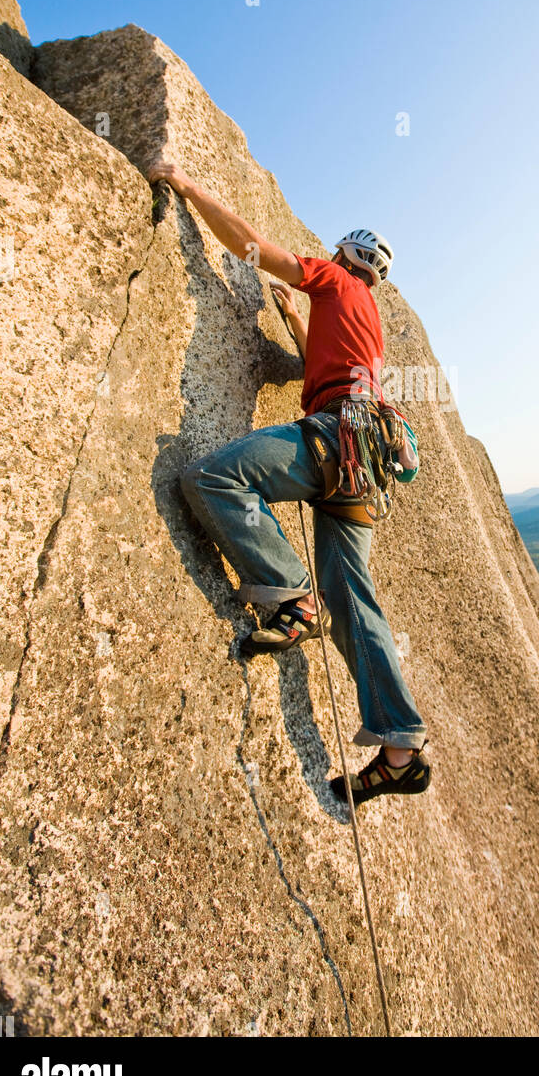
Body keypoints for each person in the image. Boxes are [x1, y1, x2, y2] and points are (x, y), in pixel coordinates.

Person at [146, 160, 430, 807]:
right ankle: (401, 745)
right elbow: (333, 365)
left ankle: (290, 602)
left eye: (332, 254)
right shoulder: (367, 317)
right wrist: (298, 326)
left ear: (343, 257)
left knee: (215, 477)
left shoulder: (331, 279)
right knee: (354, 600)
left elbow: (252, 245)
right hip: (365, 465)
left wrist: (190, 187)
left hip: (334, 439)